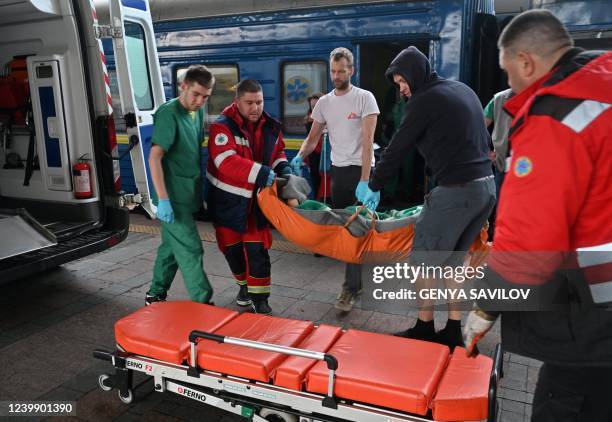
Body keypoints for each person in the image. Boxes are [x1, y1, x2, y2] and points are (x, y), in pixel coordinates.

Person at [463, 10, 612, 421]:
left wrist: (485, 308)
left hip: (590, 313)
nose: (509, 85)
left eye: (509, 73)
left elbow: (530, 238)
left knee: (563, 402)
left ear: (526, 62)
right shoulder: (603, 86)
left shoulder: (556, 117)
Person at [358, 46, 496, 349]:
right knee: (454, 262)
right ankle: (453, 331)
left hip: (456, 190)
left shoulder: (424, 100)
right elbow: (486, 141)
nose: (402, 89)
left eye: (402, 82)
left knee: (423, 261)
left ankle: (424, 327)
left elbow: (398, 146)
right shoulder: (461, 89)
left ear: (415, 74)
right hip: (485, 189)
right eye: (398, 84)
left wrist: (374, 183)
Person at [290, 47, 380, 312]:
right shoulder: (325, 103)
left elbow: (367, 141)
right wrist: (300, 155)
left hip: (362, 171)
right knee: (350, 230)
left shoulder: (365, 98)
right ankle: (357, 281)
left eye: (342, 71)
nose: (337, 75)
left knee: (355, 230)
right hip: (339, 173)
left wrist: (365, 180)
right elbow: (313, 136)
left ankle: (349, 289)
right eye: (333, 71)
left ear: (351, 70)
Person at [207, 79, 291, 315]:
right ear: (237, 103)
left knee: (257, 251)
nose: (256, 108)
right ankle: (243, 287)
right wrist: (264, 173)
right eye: (250, 103)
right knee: (232, 250)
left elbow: (278, 151)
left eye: (260, 102)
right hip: (228, 204)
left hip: (255, 204)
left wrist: (283, 167)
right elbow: (225, 162)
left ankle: (260, 299)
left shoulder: (270, 127)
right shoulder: (221, 128)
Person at [145, 65, 215, 306]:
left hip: (187, 194)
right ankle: (204, 304)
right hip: (172, 198)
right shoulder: (169, 113)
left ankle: (155, 294)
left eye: (205, 97)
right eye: (196, 94)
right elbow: (155, 156)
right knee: (191, 249)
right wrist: (162, 199)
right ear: (183, 86)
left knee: (171, 248)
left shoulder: (196, 114)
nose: (200, 101)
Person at [483, 88, 513, 239]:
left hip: (505, 163)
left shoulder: (499, 98)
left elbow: (478, 127)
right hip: (515, 165)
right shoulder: (499, 99)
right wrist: (488, 153)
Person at [304, 92, 324, 198]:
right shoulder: (309, 120)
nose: (314, 109)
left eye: (317, 106)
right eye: (312, 107)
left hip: (324, 155)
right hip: (314, 156)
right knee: (316, 183)